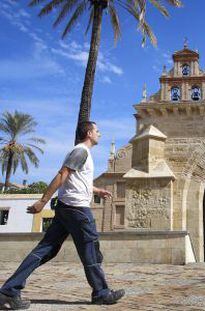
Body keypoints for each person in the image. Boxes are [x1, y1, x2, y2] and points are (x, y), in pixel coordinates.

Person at [0, 121, 124, 310]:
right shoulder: (81, 151)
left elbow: (76, 179)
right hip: (77, 210)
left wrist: (96, 190)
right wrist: (42, 201)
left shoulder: (81, 153)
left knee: (46, 249)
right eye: (97, 131)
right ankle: (101, 293)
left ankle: (8, 291)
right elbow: (62, 174)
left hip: (67, 208)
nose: (100, 133)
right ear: (89, 133)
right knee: (90, 249)